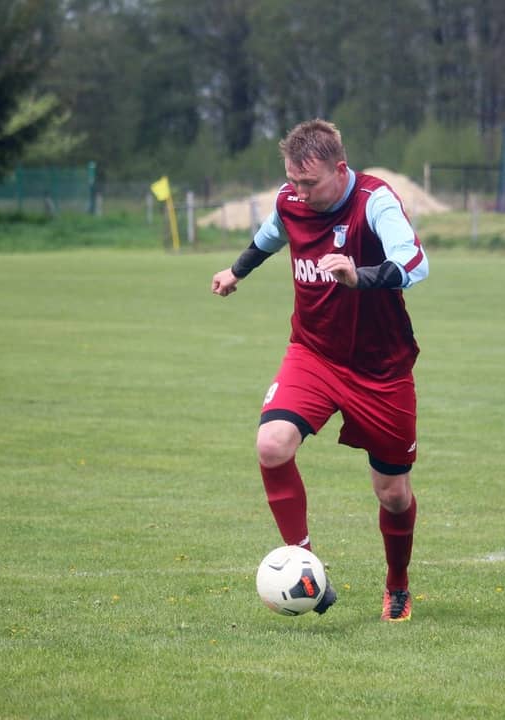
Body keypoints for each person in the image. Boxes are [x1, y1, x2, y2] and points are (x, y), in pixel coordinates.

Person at [211, 119, 429, 622]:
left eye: (310, 182)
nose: (300, 193)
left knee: (393, 494)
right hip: (313, 354)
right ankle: (307, 568)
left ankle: (397, 584)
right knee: (271, 445)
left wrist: (360, 275)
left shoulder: (374, 200)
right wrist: (235, 271)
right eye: (293, 181)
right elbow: (270, 236)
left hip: (381, 369)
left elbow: (415, 262)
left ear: (340, 169)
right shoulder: (291, 201)